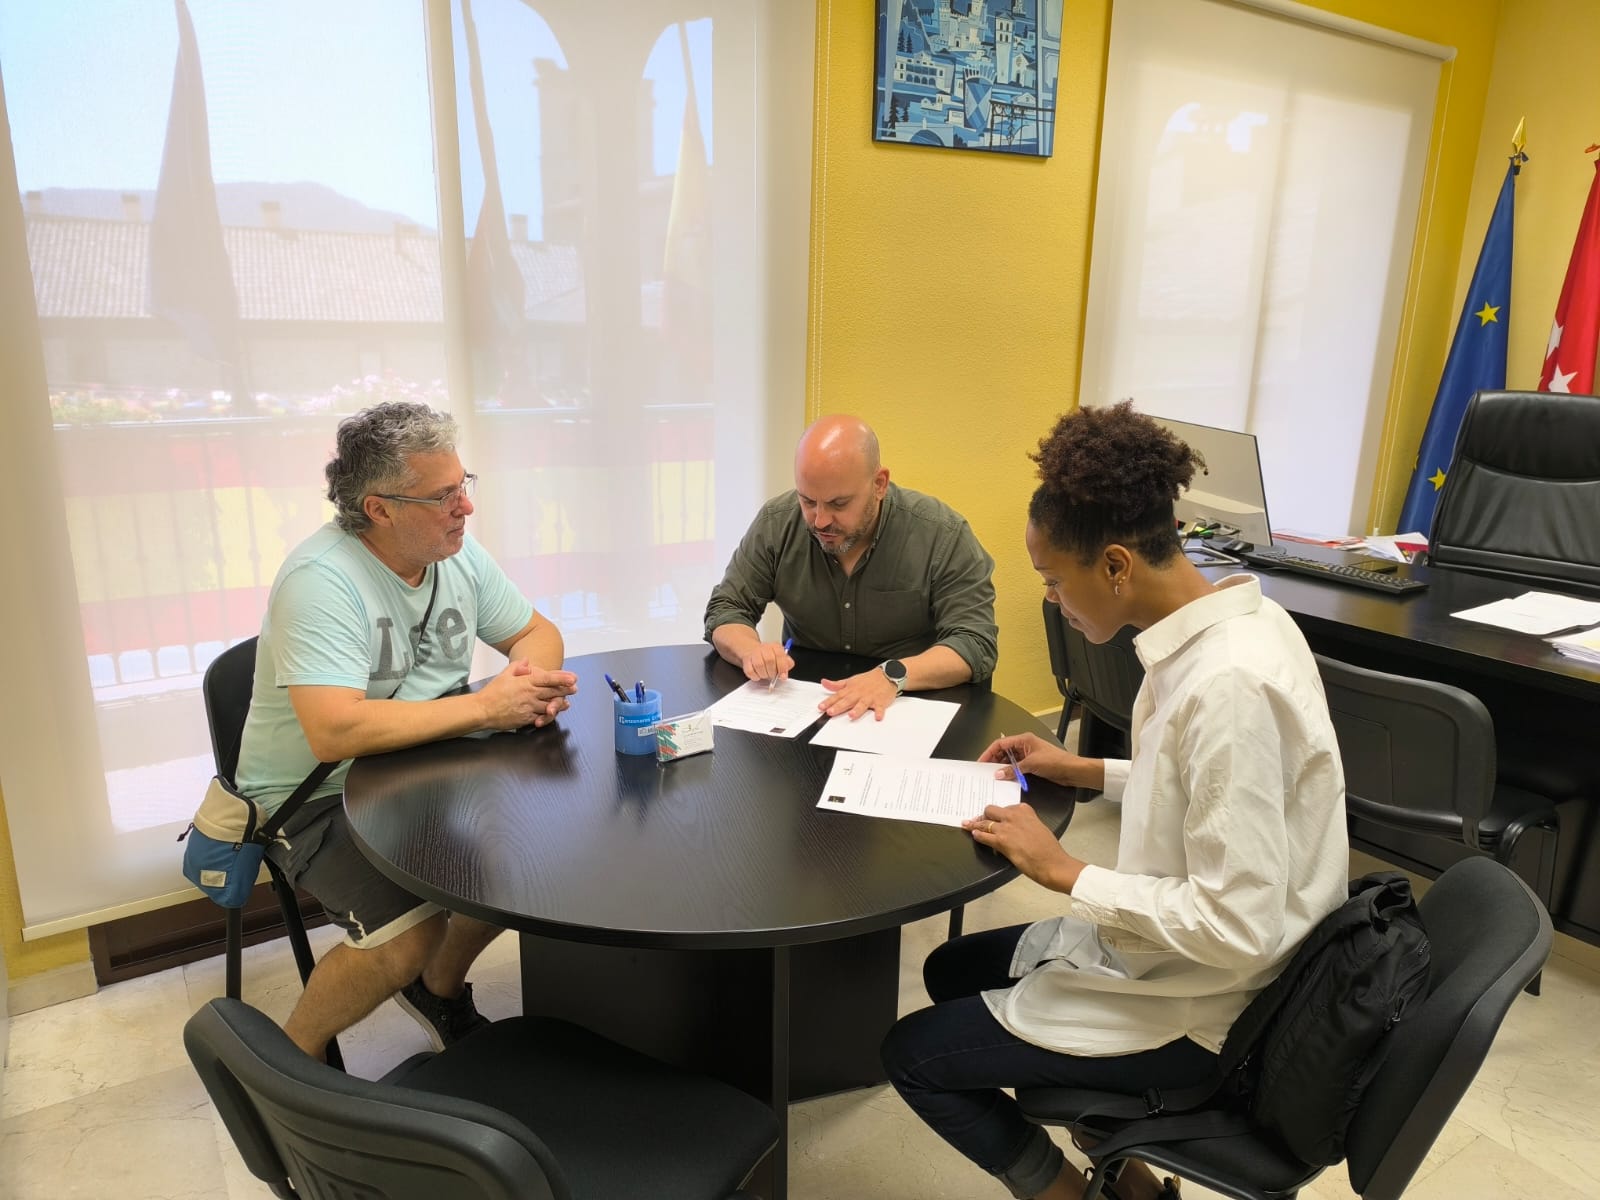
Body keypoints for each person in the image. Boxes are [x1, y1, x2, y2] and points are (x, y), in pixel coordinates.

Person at [880, 403, 1349, 1200]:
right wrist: (1084, 769)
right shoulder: (1241, 623)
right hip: (1184, 959)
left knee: (913, 1056)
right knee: (954, 967)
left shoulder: (1227, 684)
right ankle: (1125, 1170)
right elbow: (1213, 788)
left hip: (1211, 1007)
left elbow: (1237, 924)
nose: (1056, 600)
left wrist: (1064, 871)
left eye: (1055, 581)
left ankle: (1081, 1196)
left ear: (1118, 565)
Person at [234, 401, 577, 1062]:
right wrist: (487, 709)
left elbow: (538, 633)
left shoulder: (454, 554)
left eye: (462, 485)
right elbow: (334, 733)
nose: (465, 508)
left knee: (531, 857)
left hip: (420, 761)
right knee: (402, 940)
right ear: (379, 508)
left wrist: (527, 687)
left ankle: (437, 989)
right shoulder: (321, 581)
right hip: (313, 796)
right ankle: (288, 1066)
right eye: (442, 495)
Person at [704, 413, 999, 719]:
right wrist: (750, 650)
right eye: (807, 501)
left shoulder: (941, 535)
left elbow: (974, 642)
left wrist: (892, 676)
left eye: (838, 504)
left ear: (879, 484)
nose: (820, 521)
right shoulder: (777, 524)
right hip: (810, 705)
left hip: (909, 707)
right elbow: (726, 608)